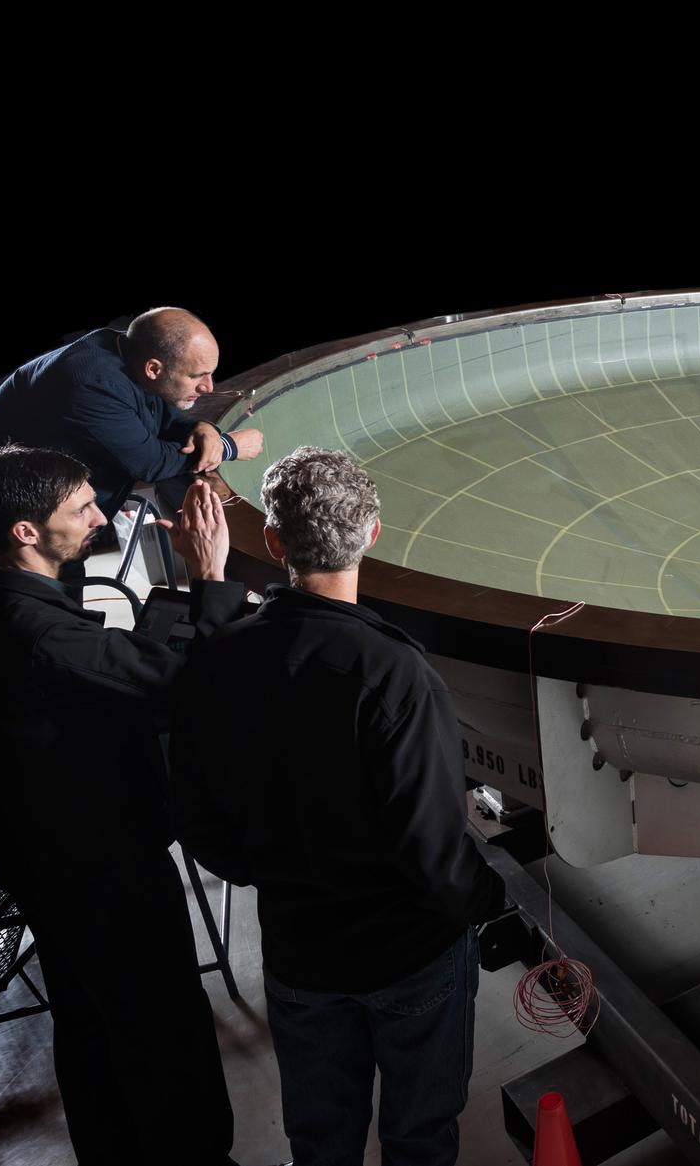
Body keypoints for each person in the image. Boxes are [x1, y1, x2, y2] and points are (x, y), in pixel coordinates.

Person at [170, 446, 509, 1166]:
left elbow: (196, 815)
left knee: (321, 1141)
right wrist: (488, 897)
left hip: (302, 954)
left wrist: (268, 868)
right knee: (419, 1137)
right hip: (410, 954)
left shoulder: (220, 659)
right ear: (373, 533)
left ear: (273, 542)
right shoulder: (395, 672)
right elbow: (432, 848)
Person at [0, 445, 249, 1165]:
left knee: (90, 1026)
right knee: (164, 1027)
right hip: (106, 870)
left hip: (40, 865)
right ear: (25, 532)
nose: (101, 517)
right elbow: (195, 686)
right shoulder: (43, 636)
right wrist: (209, 576)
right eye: (81, 508)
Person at [0, 306, 265, 583]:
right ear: (153, 368)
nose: (209, 387)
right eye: (197, 376)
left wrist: (200, 428)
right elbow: (150, 462)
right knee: (18, 624)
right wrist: (229, 447)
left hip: (46, 519)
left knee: (63, 611)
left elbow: (164, 414)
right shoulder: (90, 382)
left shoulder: (130, 352)